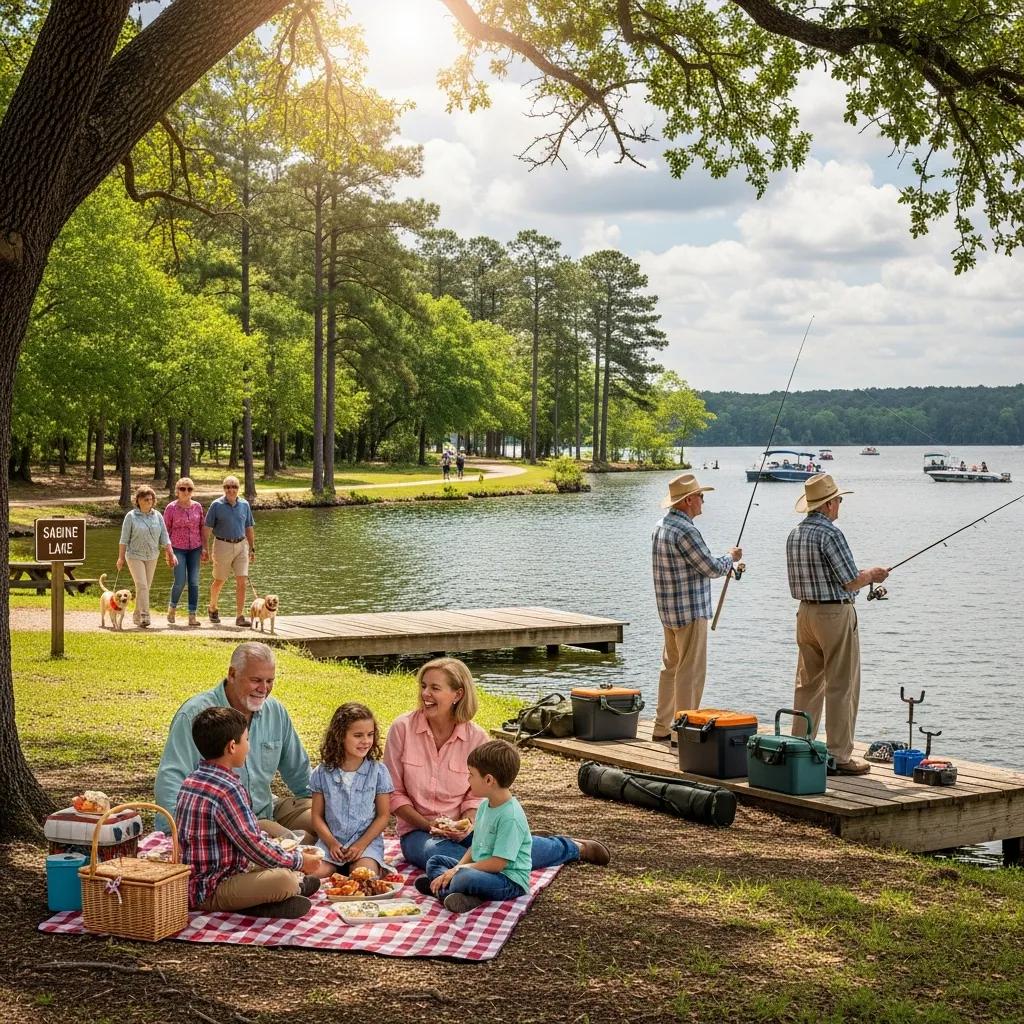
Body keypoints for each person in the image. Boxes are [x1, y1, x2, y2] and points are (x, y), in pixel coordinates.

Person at [383, 657, 610, 871]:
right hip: (417, 833)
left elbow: (478, 794)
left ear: (458, 694)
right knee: (441, 856)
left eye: (434, 688)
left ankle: (572, 848)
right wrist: (427, 824)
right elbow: (392, 793)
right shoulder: (402, 729)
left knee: (504, 855)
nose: (425, 694)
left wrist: (467, 822)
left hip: (469, 827)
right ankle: (483, 869)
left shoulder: (476, 738)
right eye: (423, 686)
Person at [786, 474, 890, 776]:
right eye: (839, 500)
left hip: (805, 614)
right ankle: (839, 756)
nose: (840, 505)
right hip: (834, 616)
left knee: (807, 685)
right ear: (829, 504)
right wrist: (872, 574)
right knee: (842, 684)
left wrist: (861, 576)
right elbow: (850, 581)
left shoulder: (795, 533)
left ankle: (799, 746)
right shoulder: (831, 534)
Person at [176, 706, 321, 919]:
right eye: (247, 740)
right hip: (211, 889)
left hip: (217, 872)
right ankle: (262, 901)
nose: (249, 747)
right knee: (284, 880)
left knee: (265, 833)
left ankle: (271, 896)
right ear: (232, 746)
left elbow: (248, 836)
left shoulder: (192, 779)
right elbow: (253, 845)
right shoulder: (228, 789)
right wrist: (300, 861)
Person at [155, 641, 313, 836]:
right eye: (256, 680)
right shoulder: (196, 715)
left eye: (270, 681)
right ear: (232, 674)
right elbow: (170, 781)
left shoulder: (276, 711)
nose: (263, 689)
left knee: (327, 822)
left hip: (267, 809)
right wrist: (182, 835)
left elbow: (301, 773)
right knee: (302, 843)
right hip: (221, 822)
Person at [651, 473, 741, 743]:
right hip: (690, 612)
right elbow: (711, 567)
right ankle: (684, 733)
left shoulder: (661, 525)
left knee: (670, 669)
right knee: (690, 673)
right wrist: (731, 558)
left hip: (668, 611)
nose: (703, 501)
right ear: (688, 500)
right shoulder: (687, 530)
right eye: (701, 496)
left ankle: (661, 726)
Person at [418, 739, 533, 915]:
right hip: (481, 869)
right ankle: (456, 892)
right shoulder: (485, 806)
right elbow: (475, 846)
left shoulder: (511, 817)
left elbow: (497, 864)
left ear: (488, 780)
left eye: (471, 774)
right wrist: (455, 868)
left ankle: (446, 890)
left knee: (464, 877)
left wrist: (458, 870)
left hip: (508, 881)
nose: (468, 779)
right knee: (435, 861)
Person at [308, 702, 393, 880]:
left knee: (363, 877)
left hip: (366, 843)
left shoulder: (379, 772)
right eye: (358, 735)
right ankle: (335, 869)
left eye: (370, 735)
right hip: (332, 844)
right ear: (340, 736)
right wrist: (331, 843)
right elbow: (316, 816)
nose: (366, 741)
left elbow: (383, 816)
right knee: (311, 875)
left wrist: (360, 845)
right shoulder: (322, 773)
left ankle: (368, 867)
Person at [116, 484, 177, 628]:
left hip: (152, 556)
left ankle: (137, 616)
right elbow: (124, 539)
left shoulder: (158, 516)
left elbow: (165, 536)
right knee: (142, 585)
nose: (148, 502)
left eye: (150, 499)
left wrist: (171, 553)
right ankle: (145, 615)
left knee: (144, 587)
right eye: (145, 499)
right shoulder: (131, 516)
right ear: (138, 501)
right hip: (134, 555)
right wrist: (120, 557)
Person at [204, 474, 255, 626]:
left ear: (238, 489)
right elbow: (207, 528)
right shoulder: (216, 505)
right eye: (228, 487)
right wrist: (204, 548)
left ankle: (240, 616)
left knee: (242, 581)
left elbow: (249, 527)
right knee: (219, 580)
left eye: (234, 487)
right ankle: (212, 607)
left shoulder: (244, 505)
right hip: (222, 545)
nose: (231, 490)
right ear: (224, 489)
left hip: (241, 546)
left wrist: (252, 548)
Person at [164, 476, 207, 627]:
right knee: (180, 581)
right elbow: (165, 531)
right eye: (182, 488)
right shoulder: (171, 508)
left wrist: (204, 548)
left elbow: (202, 527)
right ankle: (172, 609)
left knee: (194, 582)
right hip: (177, 549)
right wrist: (168, 553)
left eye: (189, 489)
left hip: (195, 547)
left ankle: (192, 616)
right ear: (177, 491)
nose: (186, 491)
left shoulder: (198, 507)